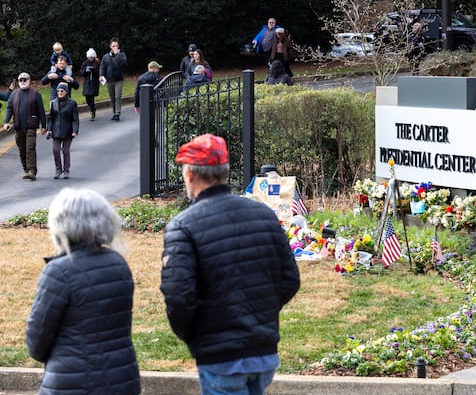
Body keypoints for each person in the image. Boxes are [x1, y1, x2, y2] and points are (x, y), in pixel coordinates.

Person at [160, 133, 300, 395]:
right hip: (263, 351)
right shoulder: (263, 215)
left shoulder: (183, 226)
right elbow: (290, 279)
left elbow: (179, 298)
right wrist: (261, 315)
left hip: (220, 357)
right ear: (224, 172)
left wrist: (196, 336)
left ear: (190, 174)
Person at [26, 187, 141, 395]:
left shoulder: (59, 271)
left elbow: (37, 341)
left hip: (71, 383)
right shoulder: (118, 264)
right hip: (122, 378)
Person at [2, 72, 47, 181]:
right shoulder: (14, 94)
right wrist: (6, 122)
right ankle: (26, 169)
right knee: (22, 149)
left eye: (25, 80)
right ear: (18, 82)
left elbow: (41, 110)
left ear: (29, 81)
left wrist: (44, 125)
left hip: (31, 126)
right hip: (18, 126)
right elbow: (9, 108)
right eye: (21, 80)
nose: (23, 82)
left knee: (30, 148)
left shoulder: (35, 93)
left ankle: (32, 171)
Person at [47, 82, 79, 179]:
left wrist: (75, 130)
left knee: (66, 150)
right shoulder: (53, 103)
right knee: (55, 150)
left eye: (62, 91)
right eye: (58, 91)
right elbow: (50, 118)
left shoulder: (72, 103)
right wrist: (49, 129)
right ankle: (58, 169)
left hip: (68, 131)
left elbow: (75, 119)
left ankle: (66, 170)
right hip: (56, 130)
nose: (60, 93)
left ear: (66, 92)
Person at [100, 37, 127, 121]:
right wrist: (101, 75)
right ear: (110, 46)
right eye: (113, 46)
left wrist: (117, 54)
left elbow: (123, 63)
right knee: (112, 97)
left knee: (118, 96)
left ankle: (117, 113)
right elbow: (102, 67)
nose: (115, 47)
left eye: (116, 46)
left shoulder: (121, 54)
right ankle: (114, 111)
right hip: (109, 80)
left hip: (119, 79)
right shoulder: (105, 57)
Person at [79, 48, 100, 121]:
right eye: (89, 57)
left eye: (92, 57)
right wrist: (85, 71)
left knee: (91, 97)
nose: (91, 59)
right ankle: (92, 107)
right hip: (87, 83)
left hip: (94, 83)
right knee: (87, 97)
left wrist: (94, 70)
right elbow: (81, 72)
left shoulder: (97, 63)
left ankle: (92, 111)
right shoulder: (85, 63)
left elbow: (99, 73)